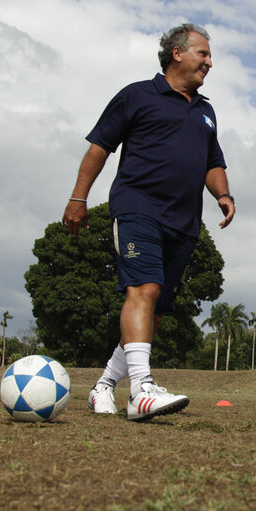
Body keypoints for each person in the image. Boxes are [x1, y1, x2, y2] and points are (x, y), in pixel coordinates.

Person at [63, 23, 235, 422]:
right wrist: (78, 197)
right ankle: (141, 390)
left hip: (185, 222)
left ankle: (103, 385)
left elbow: (213, 162)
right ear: (177, 53)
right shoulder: (136, 95)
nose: (209, 63)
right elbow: (99, 148)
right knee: (144, 290)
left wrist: (223, 195)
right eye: (203, 54)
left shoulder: (206, 110)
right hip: (137, 207)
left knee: (154, 310)